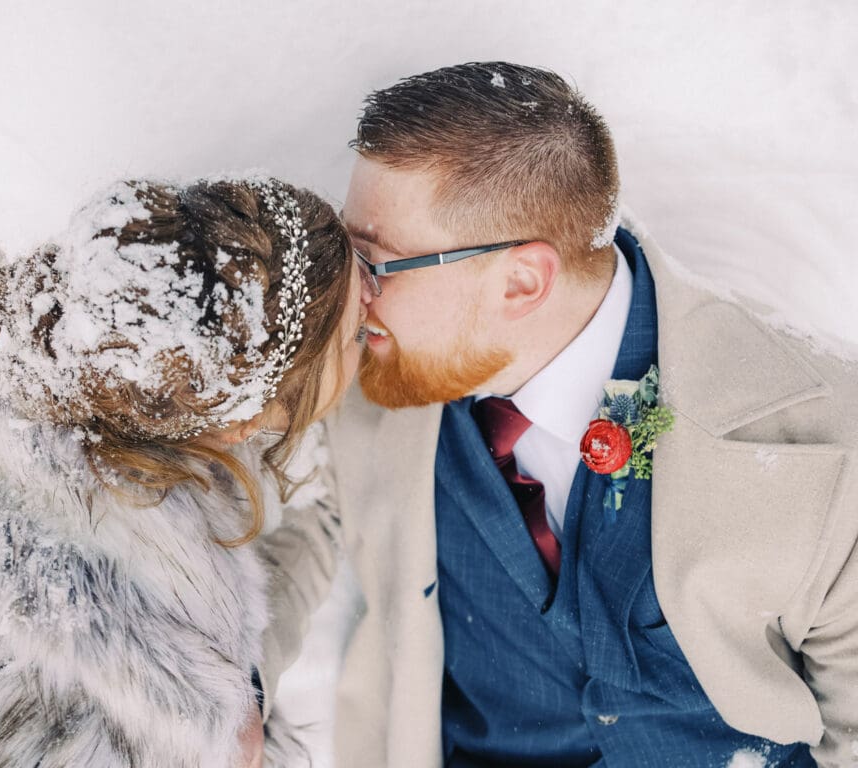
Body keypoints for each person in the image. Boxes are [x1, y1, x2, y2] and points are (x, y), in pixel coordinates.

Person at [257, 63, 858, 767]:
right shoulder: (369, 377)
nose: (353, 297)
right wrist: (233, 683)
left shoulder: (822, 437)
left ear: (522, 280)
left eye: (374, 262)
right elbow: (302, 516)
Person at [0, 176, 366, 767]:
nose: (373, 314)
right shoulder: (129, 728)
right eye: (354, 339)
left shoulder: (46, 414)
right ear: (245, 418)